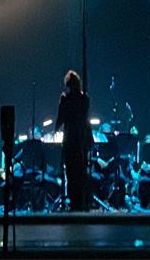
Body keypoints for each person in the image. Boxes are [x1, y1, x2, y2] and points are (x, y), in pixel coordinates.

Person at [54, 70, 92, 211]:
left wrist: (55, 129)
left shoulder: (65, 99)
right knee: (81, 171)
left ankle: (73, 201)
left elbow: (60, 118)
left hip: (70, 138)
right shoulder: (84, 98)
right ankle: (82, 200)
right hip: (82, 138)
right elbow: (85, 115)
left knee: (71, 171)